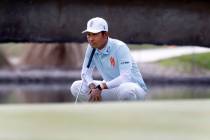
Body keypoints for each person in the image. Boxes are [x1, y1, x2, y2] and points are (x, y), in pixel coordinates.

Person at [70, 17, 147, 102]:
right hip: (110, 89)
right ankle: (99, 111)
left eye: (94, 34)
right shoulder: (91, 48)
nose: (91, 39)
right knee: (76, 86)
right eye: (89, 34)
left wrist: (101, 87)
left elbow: (125, 78)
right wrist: (92, 87)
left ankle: (126, 114)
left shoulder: (120, 47)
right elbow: (85, 73)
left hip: (134, 88)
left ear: (105, 35)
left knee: (126, 90)